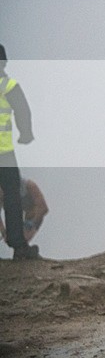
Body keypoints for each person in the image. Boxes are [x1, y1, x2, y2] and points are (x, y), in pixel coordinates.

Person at [0, 44, 40, 260]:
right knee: (12, 198)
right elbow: (23, 111)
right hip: (3, 153)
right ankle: (19, 247)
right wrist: (26, 134)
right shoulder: (8, 85)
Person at [0, 177, 48, 244]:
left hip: (31, 213)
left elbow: (43, 208)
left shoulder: (29, 186)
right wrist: (4, 232)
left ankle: (23, 246)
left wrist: (31, 224)